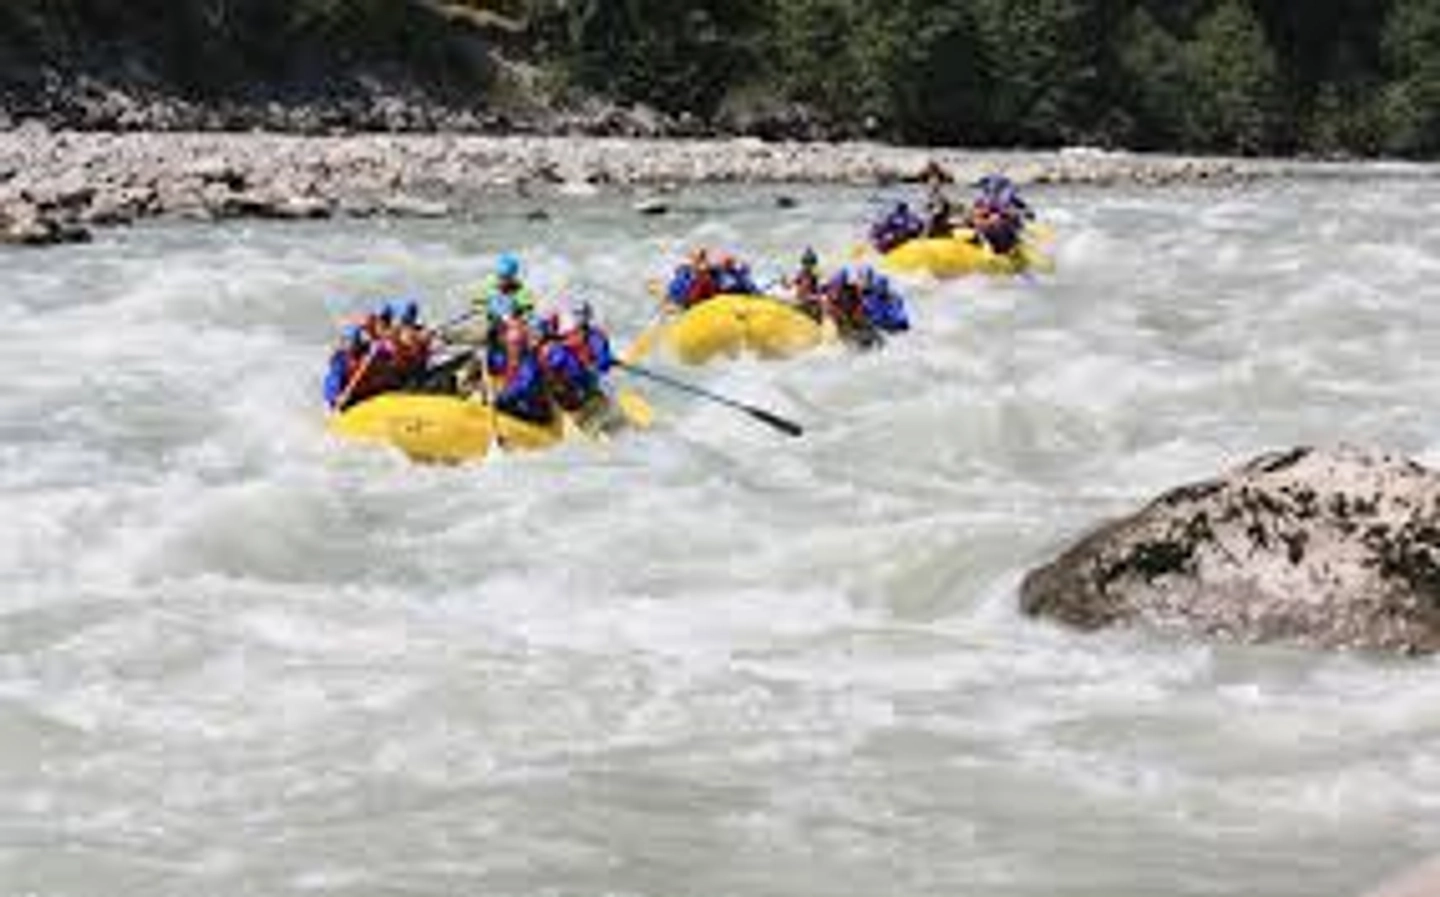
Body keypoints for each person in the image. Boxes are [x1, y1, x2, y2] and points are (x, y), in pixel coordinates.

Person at [484, 314, 553, 424]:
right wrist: (491, 344)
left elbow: (522, 385)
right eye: (511, 344)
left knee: (503, 406)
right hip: (515, 402)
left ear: (523, 344)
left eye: (518, 344)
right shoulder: (505, 357)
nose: (514, 348)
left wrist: (500, 398)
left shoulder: (530, 364)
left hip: (534, 411)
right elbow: (493, 362)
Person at [474, 252, 537, 324]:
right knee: (494, 300)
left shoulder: (520, 289)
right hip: (494, 318)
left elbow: (528, 309)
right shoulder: (489, 284)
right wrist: (481, 308)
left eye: (507, 278)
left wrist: (523, 318)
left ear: (513, 277)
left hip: (513, 317)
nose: (503, 281)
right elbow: (478, 301)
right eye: (501, 277)